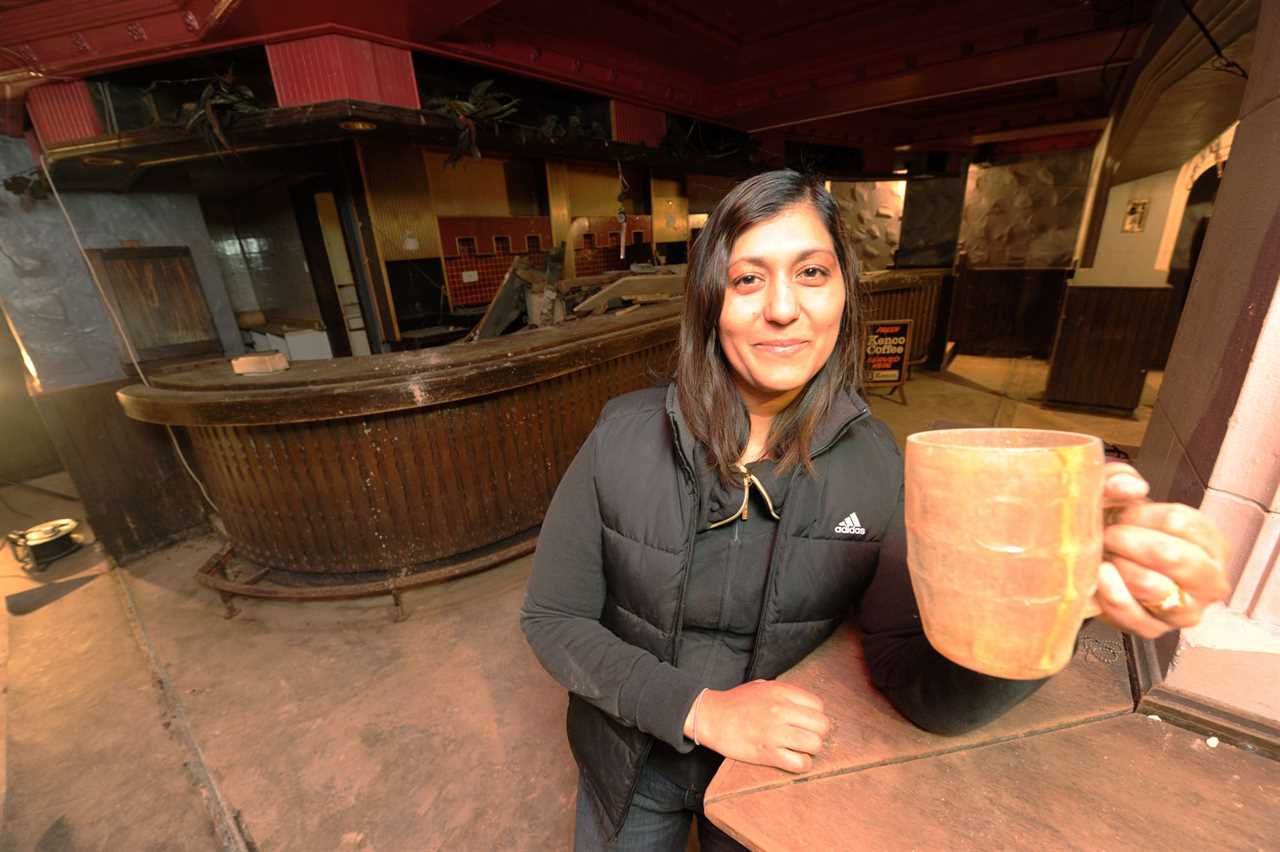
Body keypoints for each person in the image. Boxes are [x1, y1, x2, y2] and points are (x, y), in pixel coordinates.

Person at [520, 170, 1228, 851]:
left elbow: (921, 688)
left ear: (844, 294)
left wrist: (1050, 602)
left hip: (771, 776)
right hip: (630, 759)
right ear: (710, 301)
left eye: (811, 273)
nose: (782, 308)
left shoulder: (877, 467)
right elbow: (554, 618)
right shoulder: (623, 436)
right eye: (747, 278)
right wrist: (701, 709)